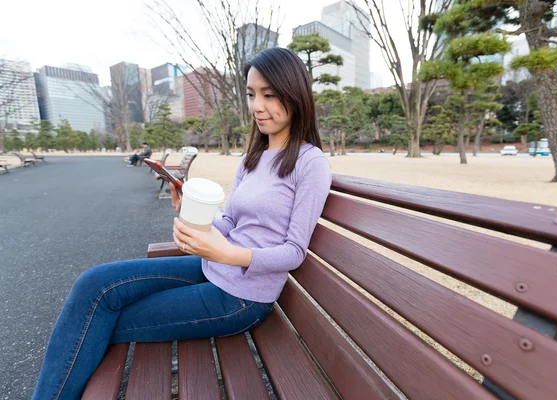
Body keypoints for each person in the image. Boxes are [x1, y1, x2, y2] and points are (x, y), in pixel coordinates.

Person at [32, 47, 332, 399]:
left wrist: (230, 255)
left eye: (269, 95)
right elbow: (232, 222)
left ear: (294, 94)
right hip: (212, 269)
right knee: (93, 285)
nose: (257, 106)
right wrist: (192, 209)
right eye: (251, 94)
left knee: (102, 320)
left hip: (243, 299)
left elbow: (295, 252)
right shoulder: (253, 158)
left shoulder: (311, 164)